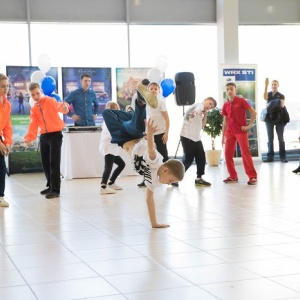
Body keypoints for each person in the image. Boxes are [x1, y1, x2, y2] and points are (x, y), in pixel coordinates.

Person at [102, 84, 185, 228]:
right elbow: (152, 148)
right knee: (136, 127)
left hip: (121, 139)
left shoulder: (156, 180)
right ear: (166, 170)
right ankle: (140, 103)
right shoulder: (156, 162)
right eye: (170, 180)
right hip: (133, 135)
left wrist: (154, 223)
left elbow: (149, 199)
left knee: (107, 113)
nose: (169, 184)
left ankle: (131, 113)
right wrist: (150, 133)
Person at [24, 82, 69, 199]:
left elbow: (60, 107)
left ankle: (55, 190)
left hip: (55, 135)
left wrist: (64, 108)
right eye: (33, 95)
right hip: (44, 136)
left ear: (41, 92)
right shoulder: (34, 109)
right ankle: (50, 186)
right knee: (45, 163)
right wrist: (29, 138)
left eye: (37, 93)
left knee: (54, 162)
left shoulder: (50, 101)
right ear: (30, 95)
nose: (36, 96)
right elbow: (33, 125)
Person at [221, 82, 257, 185]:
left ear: (236, 90)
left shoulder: (241, 101)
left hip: (241, 131)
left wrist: (249, 126)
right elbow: (225, 121)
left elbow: (254, 113)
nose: (229, 91)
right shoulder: (226, 104)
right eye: (227, 89)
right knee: (227, 154)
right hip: (230, 132)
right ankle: (233, 176)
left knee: (245, 153)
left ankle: (252, 177)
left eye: (231, 89)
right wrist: (223, 136)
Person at [138, 82, 170, 188]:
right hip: (150, 133)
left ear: (159, 91)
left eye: (155, 89)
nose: (153, 90)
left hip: (160, 133)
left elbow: (167, 118)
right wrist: (146, 133)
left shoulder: (161, 102)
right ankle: (146, 179)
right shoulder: (147, 102)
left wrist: (166, 133)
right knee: (147, 157)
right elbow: (147, 117)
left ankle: (171, 178)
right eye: (151, 88)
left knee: (164, 156)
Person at [179, 97, 217, 187]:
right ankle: (175, 177)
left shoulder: (202, 110)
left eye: (211, 107)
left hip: (196, 138)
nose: (210, 107)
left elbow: (202, 125)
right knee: (188, 159)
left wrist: (205, 114)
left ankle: (199, 178)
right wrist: (197, 112)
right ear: (205, 100)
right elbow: (193, 113)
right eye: (210, 103)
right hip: (187, 136)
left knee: (201, 157)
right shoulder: (199, 106)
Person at [99, 101, 125, 195]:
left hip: (111, 146)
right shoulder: (109, 121)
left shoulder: (112, 119)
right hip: (108, 146)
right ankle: (103, 186)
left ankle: (111, 182)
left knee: (121, 164)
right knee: (108, 167)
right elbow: (113, 134)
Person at [263, 78, 288, 163]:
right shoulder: (268, 94)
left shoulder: (281, 95)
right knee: (270, 139)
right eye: (272, 84)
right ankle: (270, 157)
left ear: (278, 86)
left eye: (275, 84)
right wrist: (266, 86)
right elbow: (264, 97)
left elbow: (281, 105)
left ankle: (283, 157)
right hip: (269, 119)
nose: (274, 86)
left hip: (279, 119)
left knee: (281, 138)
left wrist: (269, 105)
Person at [0, 74, 13, 207]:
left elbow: (7, 126)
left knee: (1, 167)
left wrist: (7, 142)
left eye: (7, 86)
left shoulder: (7, 105)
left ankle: (0, 196)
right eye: (3, 86)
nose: (6, 89)